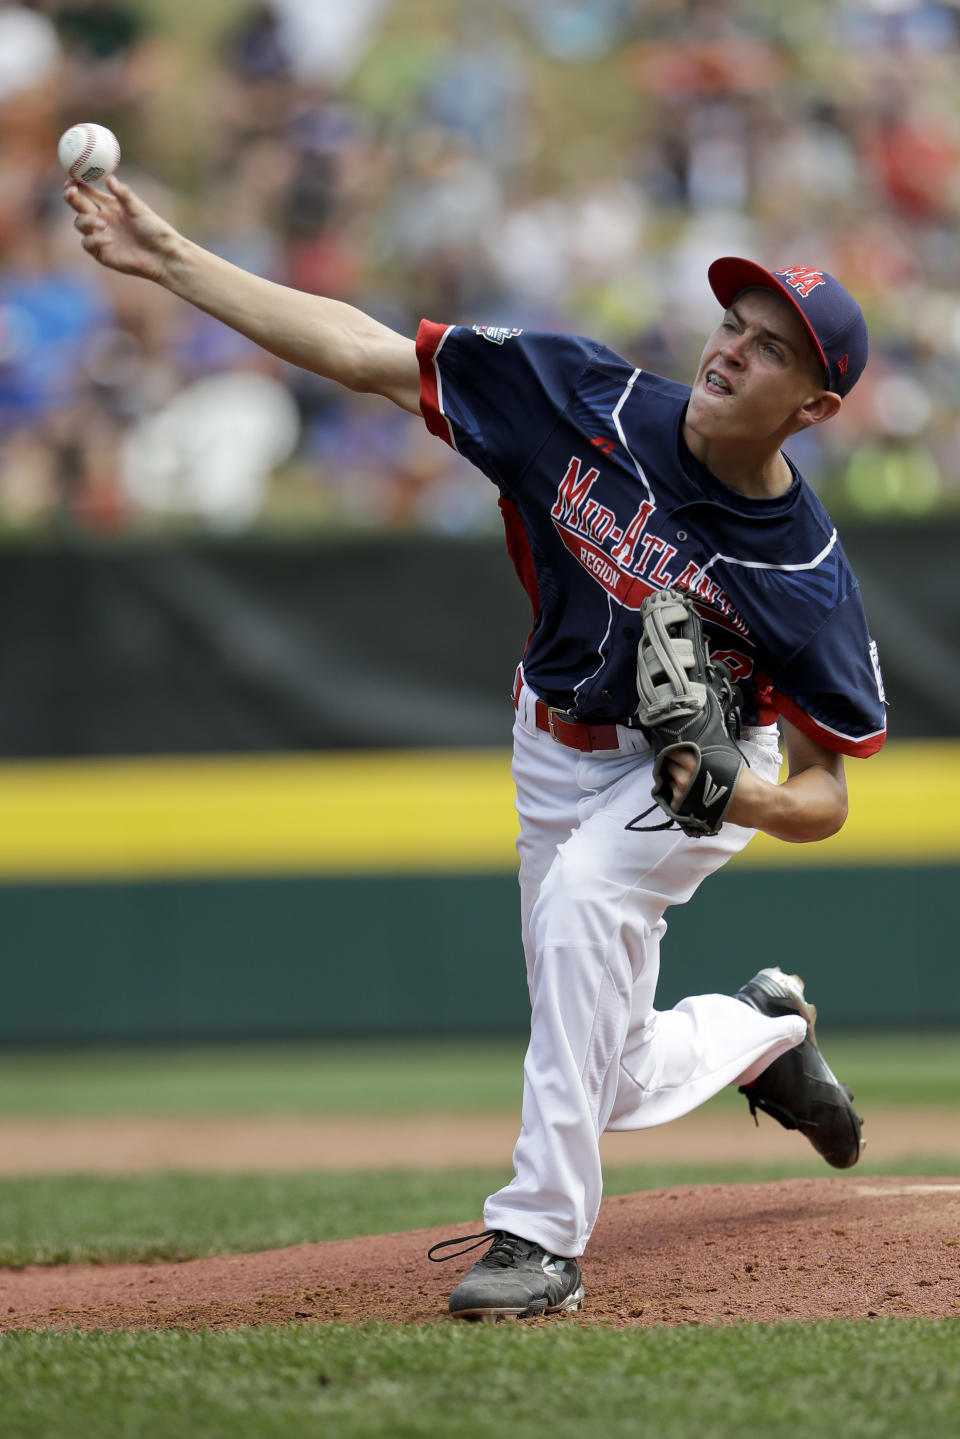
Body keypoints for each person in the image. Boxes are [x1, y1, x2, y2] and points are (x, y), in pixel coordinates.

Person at [65, 175, 887, 1322]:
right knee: (605, 1059)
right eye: (734, 325)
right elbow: (365, 352)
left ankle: (541, 1238)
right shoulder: (580, 396)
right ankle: (763, 1030)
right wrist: (172, 261)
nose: (734, 351)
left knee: (588, 898)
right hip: (549, 741)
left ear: (814, 405)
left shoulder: (804, 576)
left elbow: (827, 791)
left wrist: (735, 794)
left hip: (693, 773)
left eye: (772, 350)